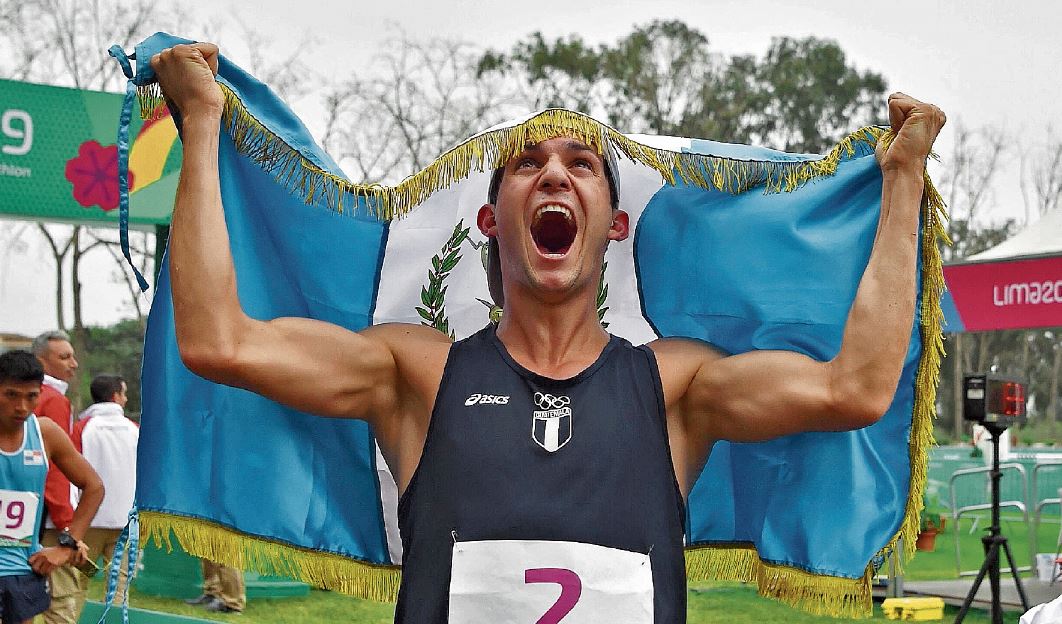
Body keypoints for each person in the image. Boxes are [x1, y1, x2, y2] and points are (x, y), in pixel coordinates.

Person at [150, 42, 945, 622]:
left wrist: (903, 181)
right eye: (527, 163)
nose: (555, 173)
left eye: (582, 164)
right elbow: (219, 341)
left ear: (618, 223)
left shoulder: (675, 387)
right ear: (492, 220)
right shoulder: (416, 374)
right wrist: (205, 120)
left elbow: (858, 387)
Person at [0, 351, 104, 624]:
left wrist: (68, 544)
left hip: (20, 571)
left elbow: (93, 486)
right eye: (11, 395)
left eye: (31, 396)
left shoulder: (45, 433)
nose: (22, 406)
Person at [32, 331, 88, 624]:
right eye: (64, 357)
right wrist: (68, 521)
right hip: (50, 516)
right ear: (41, 363)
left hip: (22, 512)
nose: (74, 364)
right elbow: (56, 469)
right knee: (62, 598)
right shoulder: (53, 399)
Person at [70, 374, 140, 609]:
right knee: (119, 588)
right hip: (126, 522)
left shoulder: (82, 428)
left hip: (89, 521)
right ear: (115, 396)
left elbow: (69, 474)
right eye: (124, 393)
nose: (126, 398)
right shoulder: (135, 430)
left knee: (76, 583)